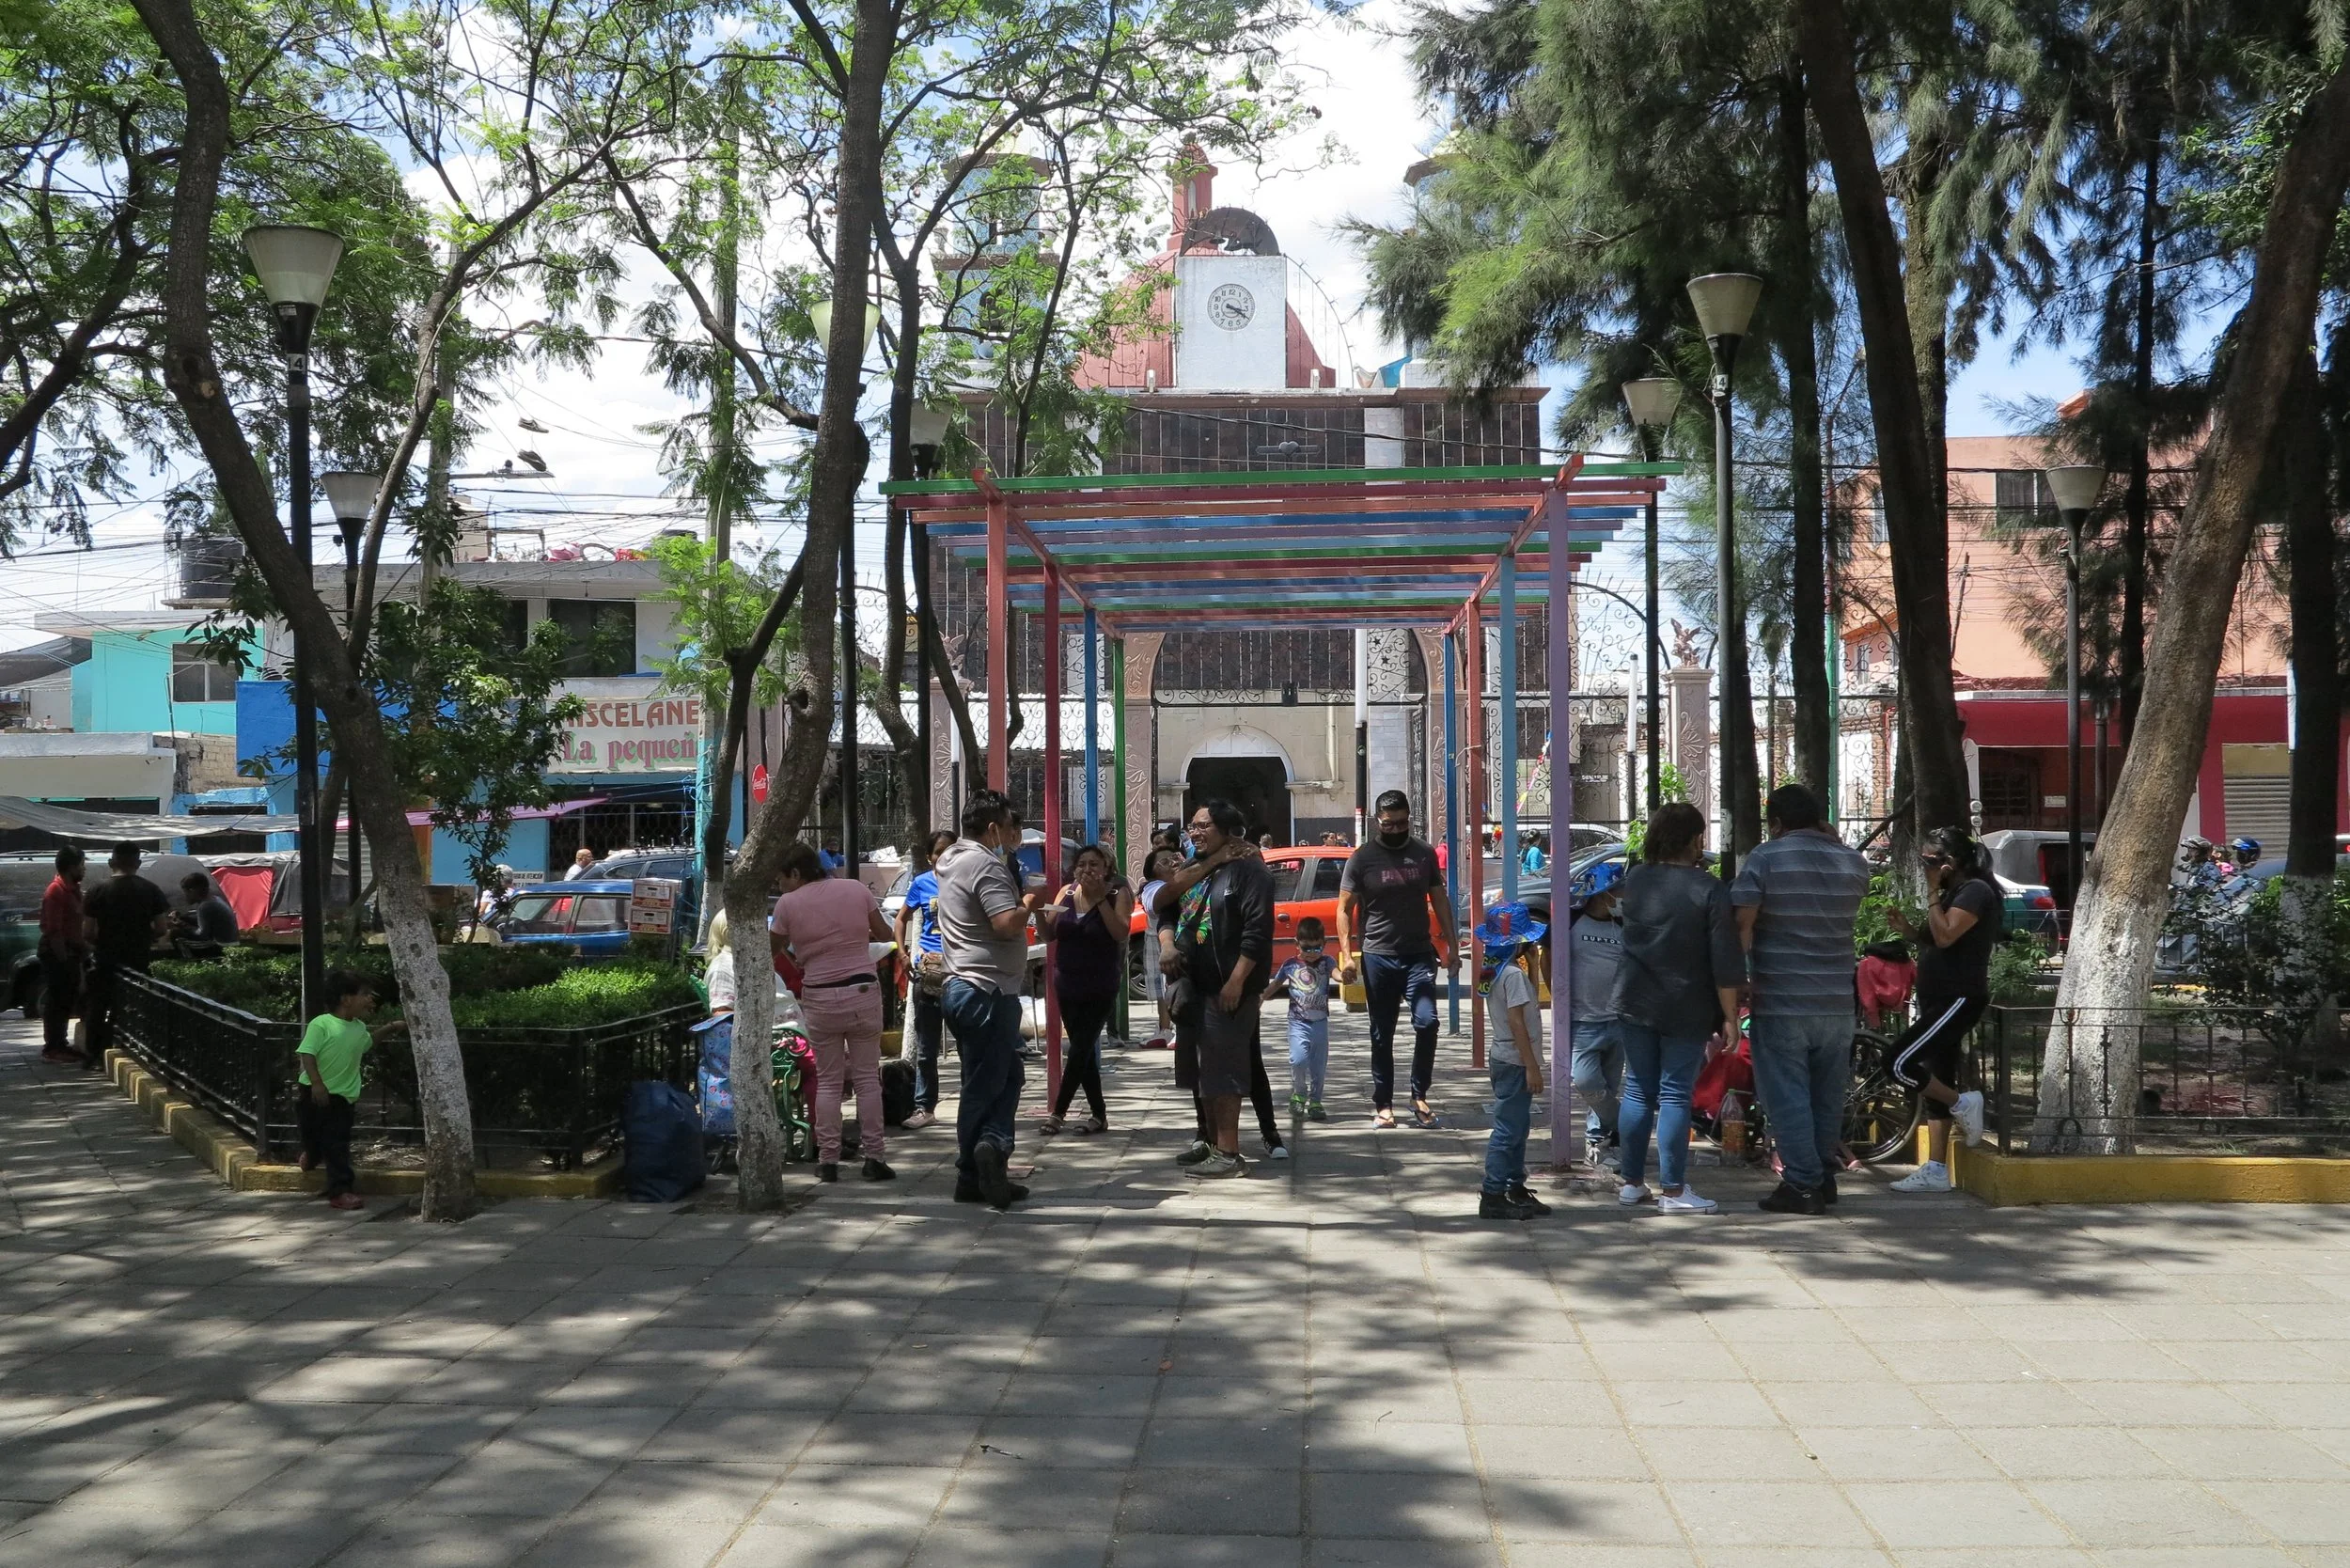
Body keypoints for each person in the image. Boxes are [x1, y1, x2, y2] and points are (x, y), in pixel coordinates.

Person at [1731, 784, 1872, 1215]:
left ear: (1775, 822)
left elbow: (1742, 924)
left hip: (1782, 998)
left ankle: (1802, 1184)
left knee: (1787, 1097)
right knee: (1826, 1097)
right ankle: (1823, 1175)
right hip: (1835, 1001)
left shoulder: (1765, 858)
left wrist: (1737, 980)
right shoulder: (1852, 862)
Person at [1612, 804, 1743, 1214]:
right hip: (1685, 1003)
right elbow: (1724, 960)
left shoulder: (1635, 879)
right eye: (1699, 835)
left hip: (1634, 998)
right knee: (1674, 1093)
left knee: (1636, 1088)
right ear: (1690, 839)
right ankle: (1673, 1190)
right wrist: (1731, 1016)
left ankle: (1631, 1182)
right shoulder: (1708, 888)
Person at [934, 790, 1049, 1208]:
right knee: (991, 1084)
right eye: (1007, 825)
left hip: (963, 986)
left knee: (988, 1080)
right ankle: (989, 1147)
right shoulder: (984, 865)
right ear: (993, 828)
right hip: (987, 990)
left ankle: (978, 1171)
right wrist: (1031, 902)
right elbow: (1005, 923)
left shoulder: (950, 860)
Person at [1155, 798, 1276, 1178]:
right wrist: (1167, 945)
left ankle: (1229, 1153)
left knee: (1226, 1072)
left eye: (1204, 826)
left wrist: (1237, 981)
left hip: (1229, 990)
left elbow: (1257, 934)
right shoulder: (1193, 867)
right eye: (1192, 825)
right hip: (1193, 988)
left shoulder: (1250, 871)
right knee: (1203, 1073)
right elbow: (1164, 906)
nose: (1194, 832)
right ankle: (1208, 1142)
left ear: (1227, 832)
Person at [770, 839, 897, 1184]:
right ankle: (875, 1157)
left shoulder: (787, 904)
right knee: (868, 1078)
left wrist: (803, 955)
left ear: (795, 873)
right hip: (862, 991)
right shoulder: (855, 890)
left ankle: (828, 1160)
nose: (780, 886)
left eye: (781, 879)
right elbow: (884, 933)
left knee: (827, 1081)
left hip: (820, 997)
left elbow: (772, 949)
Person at [1885, 826, 1998, 1193]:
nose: (1925, 866)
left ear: (1949, 862)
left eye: (1930, 861)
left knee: (1897, 1063)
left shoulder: (1976, 891)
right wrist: (1910, 932)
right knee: (1938, 1077)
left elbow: (1948, 934)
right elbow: (1938, 940)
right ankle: (1935, 1169)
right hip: (1940, 997)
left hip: (1958, 997)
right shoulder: (1957, 892)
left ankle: (1963, 1102)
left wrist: (1933, 891)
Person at [1336, 790, 1455, 1129]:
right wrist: (1347, 956)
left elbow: (1440, 900)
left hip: (1418, 954)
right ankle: (1383, 1103)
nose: (1396, 829)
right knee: (1381, 1032)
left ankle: (1419, 1095)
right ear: (1378, 822)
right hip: (1378, 956)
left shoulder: (1423, 854)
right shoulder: (1362, 859)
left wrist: (1450, 946)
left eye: (1402, 823)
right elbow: (1344, 909)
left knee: (1427, 1021)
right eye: (1390, 825)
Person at [1039, 845, 1132, 1136]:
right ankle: (1099, 1115)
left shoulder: (1118, 893)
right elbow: (1048, 933)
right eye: (1082, 864)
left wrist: (1100, 899)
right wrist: (1038, 909)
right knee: (1083, 1049)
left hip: (1100, 984)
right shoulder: (1066, 892)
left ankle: (1058, 1113)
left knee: (1079, 1048)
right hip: (1066, 982)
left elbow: (1120, 932)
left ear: (1106, 869)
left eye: (1094, 864)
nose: (1087, 870)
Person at [296, 968, 406, 1212]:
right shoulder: (321, 1024)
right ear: (346, 999)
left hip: (343, 1098)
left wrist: (390, 1028)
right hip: (313, 1093)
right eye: (365, 994)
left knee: (337, 1143)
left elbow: (367, 1043)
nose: (370, 1000)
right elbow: (307, 1053)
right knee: (311, 1133)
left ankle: (341, 1190)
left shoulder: (358, 1027)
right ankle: (312, 1155)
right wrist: (317, 1084)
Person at [1476, 902, 1551, 1219]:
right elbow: (1518, 1021)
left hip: (1503, 1055)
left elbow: (1527, 1003)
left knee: (1518, 1127)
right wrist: (1532, 1065)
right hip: (1516, 1060)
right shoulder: (1512, 976)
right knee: (1508, 1130)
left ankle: (1514, 1185)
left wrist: (1532, 967)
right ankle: (1493, 1192)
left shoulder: (1494, 970)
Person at [80, 842, 171, 1069]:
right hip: (137, 960)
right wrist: (141, 935)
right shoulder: (151, 890)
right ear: (138, 864)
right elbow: (161, 928)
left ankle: (95, 1056)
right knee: (134, 1007)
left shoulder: (96, 890)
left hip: (105, 959)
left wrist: (105, 940)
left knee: (98, 1006)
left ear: (112, 862)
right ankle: (131, 1052)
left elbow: (87, 932)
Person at [895, 829, 958, 1129]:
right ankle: (924, 1107)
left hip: (961, 970)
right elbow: (900, 919)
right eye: (939, 851)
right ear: (929, 857)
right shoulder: (921, 883)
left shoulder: (966, 880)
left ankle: (975, 1104)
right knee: (926, 1046)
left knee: (969, 1043)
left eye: (950, 850)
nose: (944, 856)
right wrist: (904, 954)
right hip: (929, 971)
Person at [1568, 861, 1627, 1168]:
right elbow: (1552, 961)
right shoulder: (1571, 922)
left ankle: (1597, 1139)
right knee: (1586, 1081)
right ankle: (1627, 1125)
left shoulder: (1624, 926)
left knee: (1607, 1084)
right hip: (1583, 1022)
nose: (1623, 896)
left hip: (1618, 1021)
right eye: (1618, 890)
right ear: (1602, 893)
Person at [1265, 915, 1338, 1121]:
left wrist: (1346, 976)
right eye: (1307, 948)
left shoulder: (1327, 962)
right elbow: (1276, 984)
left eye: (1317, 948)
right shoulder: (1290, 965)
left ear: (1324, 944)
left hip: (1320, 1023)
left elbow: (1337, 973)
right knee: (1298, 1060)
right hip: (1298, 1023)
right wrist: (1261, 997)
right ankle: (1298, 1093)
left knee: (1318, 1066)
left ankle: (1316, 1100)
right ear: (1297, 944)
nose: (1312, 954)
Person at [37, 846, 87, 1065]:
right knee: (58, 1000)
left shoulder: (72, 889)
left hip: (71, 951)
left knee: (66, 1000)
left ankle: (61, 1043)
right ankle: (53, 1048)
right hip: (59, 952)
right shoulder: (56, 891)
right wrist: (63, 958)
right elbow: (53, 929)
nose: (84, 870)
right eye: (81, 865)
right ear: (71, 867)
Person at [1136, 847, 1181, 1050]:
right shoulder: (1153, 888)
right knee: (1163, 987)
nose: (1172, 863)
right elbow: (1162, 901)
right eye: (1164, 862)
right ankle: (1165, 1028)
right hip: (1159, 940)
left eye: (1174, 857)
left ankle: (1177, 1029)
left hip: (1183, 942)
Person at [175, 871, 241, 957]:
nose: (185, 896)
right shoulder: (215, 899)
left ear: (193, 891)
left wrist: (182, 925)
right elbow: (204, 921)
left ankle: (190, 962)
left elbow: (202, 935)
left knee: (176, 935)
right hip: (232, 944)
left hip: (222, 947)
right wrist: (183, 918)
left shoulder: (206, 905)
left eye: (186, 892)